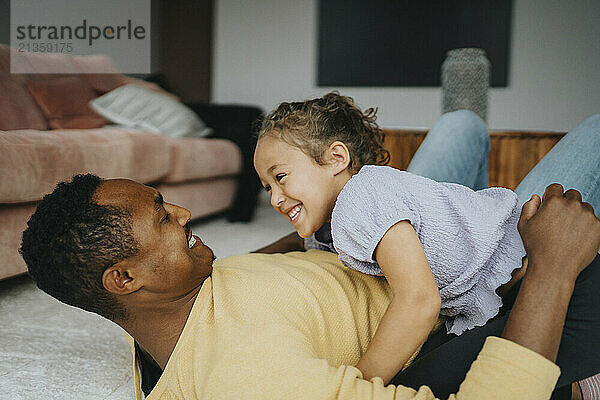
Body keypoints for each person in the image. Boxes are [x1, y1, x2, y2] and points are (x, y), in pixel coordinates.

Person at [19, 115, 600, 400]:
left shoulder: (160, 304)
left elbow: (272, 268)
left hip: (372, 245)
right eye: (162, 217)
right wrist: (552, 265)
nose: (185, 214)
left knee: (459, 126)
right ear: (123, 277)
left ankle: (451, 188)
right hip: (456, 281)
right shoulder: (249, 379)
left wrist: (311, 213)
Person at [253, 93, 600, 385]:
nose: (275, 199)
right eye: (267, 187)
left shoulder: (360, 201)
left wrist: (362, 380)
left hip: (517, 246)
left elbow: (419, 300)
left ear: (336, 158)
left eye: (281, 177)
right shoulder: (328, 227)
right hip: (486, 264)